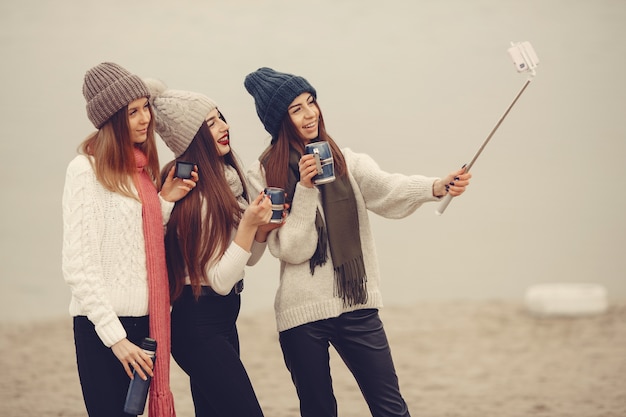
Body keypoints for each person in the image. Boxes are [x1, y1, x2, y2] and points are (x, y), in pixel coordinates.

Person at [243, 67, 472, 417]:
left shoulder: (346, 161)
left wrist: (435, 187)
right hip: (301, 315)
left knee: (390, 408)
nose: (310, 114)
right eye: (297, 109)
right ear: (281, 120)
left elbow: (388, 189)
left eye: (311, 102)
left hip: (357, 304)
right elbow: (291, 249)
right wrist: (304, 189)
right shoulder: (264, 176)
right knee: (319, 411)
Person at [62, 63, 196, 416]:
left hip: (145, 325)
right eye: (132, 112)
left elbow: (138, 242)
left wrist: (164, 201)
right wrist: (116, 340)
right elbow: (78, 266)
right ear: (111, 119)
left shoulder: (140, 170)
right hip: (102, 329)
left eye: (145, 108)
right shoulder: (84, 171)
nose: (144, 119)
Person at [144, 78, 277, 417]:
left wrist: (261, 231)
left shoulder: (228, 181)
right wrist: (249, 224)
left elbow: (247, 261)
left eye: (221, 117)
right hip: (197, 325)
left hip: (222, 321)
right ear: (191, 139)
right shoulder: (197, 194)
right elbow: (218, 280)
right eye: (211, 123)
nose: (224, 127)